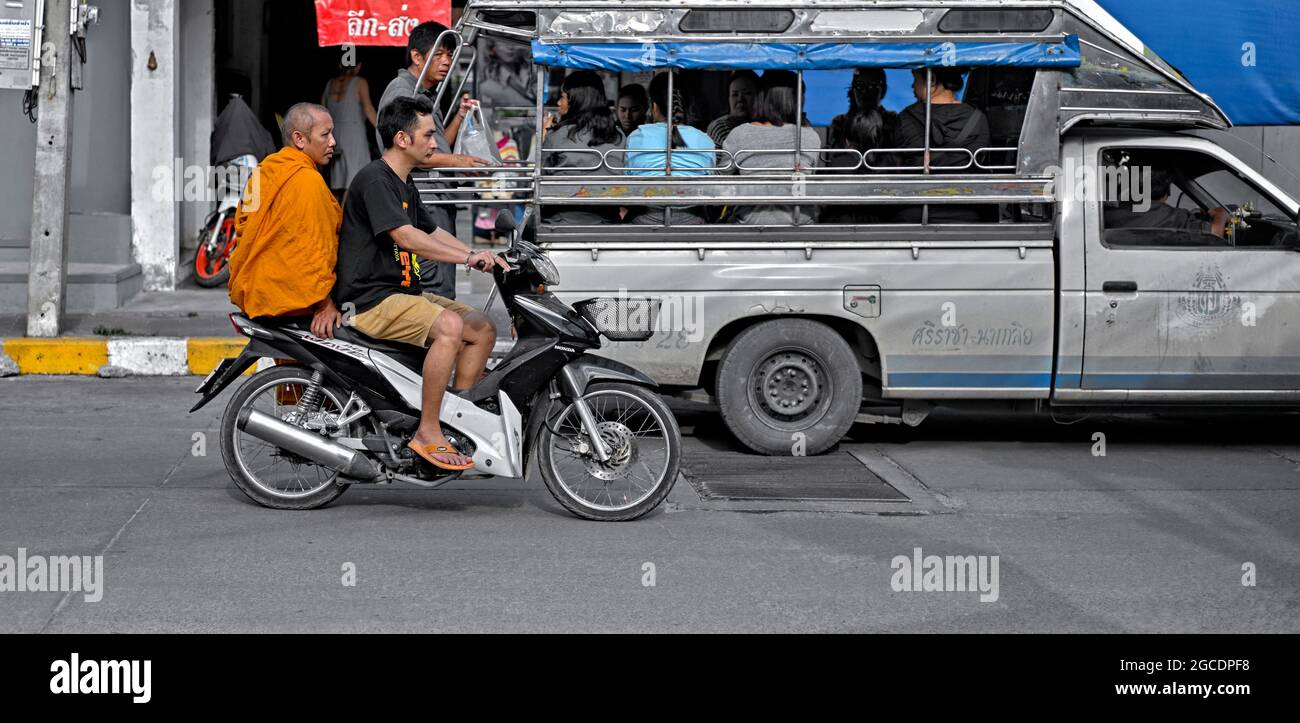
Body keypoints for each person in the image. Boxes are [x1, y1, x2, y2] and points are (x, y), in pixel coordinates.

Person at [333, 96, 507, 472]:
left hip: (402, 294)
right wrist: (466, 258)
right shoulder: (375, 180)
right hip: (370, 300)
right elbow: (408, 238)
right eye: (429, 135)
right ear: (402, 139)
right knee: (450, 326)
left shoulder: (404, 183)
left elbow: (434, 232)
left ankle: (455, 421)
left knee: (481, 328)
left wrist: (483, 256)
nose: (435, 143)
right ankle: (427, 431)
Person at [376, 21, 491, 299]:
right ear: (417, 57)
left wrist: (460, 117)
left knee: (443, 281)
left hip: (435, 200)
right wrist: (459, 162)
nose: (446, 62)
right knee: (434, 287)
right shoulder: (403, 93)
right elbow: (412, 153)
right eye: (438, 55)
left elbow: (436, 146)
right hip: (424, 200)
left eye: (449, 55)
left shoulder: (425, 95)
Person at [228, 103, 344, 339]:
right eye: (325, 134)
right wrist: (325, 303)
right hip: (296, 302)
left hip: (261, 292)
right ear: (299, 139)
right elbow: (315, 250)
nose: (332, 142)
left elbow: (243, 227)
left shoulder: (263, 172)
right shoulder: (307, 181)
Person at [721, 70, 821, 226]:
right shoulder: (810, 137)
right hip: (800, 223)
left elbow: (720, 180)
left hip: (749, 224)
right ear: (797, 101)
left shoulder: (739, 134)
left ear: (761, 98)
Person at [892, 67, 992, 222]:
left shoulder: (905, 118)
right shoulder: (978, 118)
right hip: (967, 213)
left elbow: (896, 169)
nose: (912, 86)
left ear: (931, 81)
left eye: (916, 79)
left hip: (915, 213)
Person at [624, 73, 716, 226]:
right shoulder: (704, 139)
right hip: (691, 221)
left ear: (653, 106)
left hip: (646, 220)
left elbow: (628, 181)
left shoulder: (637, 136)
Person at [541, 71, 624, 225]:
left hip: (561, 222)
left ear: (576, 100)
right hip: (607, 222)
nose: (559, 103)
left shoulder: (557, 136)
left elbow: (540, 176)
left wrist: (544, 138)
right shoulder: (619, 136)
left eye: (562, 97)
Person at [824, 68, 897, 223]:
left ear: (882, 90)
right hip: (845, 201)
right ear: (852, 90)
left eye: (872, 87)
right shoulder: (839, 123)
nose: (865, 92)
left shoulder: (892, 121)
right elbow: (835, 167)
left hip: (882, 201)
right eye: (859, 86)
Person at [1104, 168, 1230, 239]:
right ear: (1166, 192)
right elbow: (1214, 233)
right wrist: (1221, 215)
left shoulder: (1107, 214)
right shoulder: (1173, 218)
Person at [322, 61, 378, 198]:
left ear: (340, 65)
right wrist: (384, 129)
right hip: (354, 136)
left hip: (333, 135)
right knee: (354, 179)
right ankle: (344, 216)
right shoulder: (359, 82)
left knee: (337, 181)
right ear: (358, 66)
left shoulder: (330, 84)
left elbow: (322, 111)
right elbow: (368, 109)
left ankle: (335, 215)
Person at [706, 70, 760, 147]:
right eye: (735, 94)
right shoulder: (720, 126)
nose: (740, 99)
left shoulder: (763, 124)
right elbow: (738, 150)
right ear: (728, 98)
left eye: (747, 93)